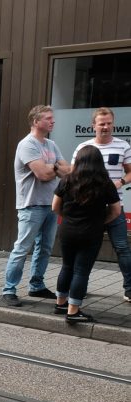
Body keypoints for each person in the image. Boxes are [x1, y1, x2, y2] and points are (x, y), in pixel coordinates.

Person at [1, 105, 71, 307]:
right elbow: (43, 175)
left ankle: (36, 285)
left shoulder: (51, 144)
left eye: (52, 118)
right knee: (22, 248)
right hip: (31, 205)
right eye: (48, 118)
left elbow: (68, 171)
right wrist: (56, 168)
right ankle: (9, 289)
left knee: (45, 248)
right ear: (35, 121)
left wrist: (54, 168)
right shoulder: (27, 145)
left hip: (51, 205)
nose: (53, 121)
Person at [53, 145, 122, 323]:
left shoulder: (67, 180)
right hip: (91, 233)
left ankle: (60, 304)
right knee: (81, 271)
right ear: (98, 163)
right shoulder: (104, 183)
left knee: (67, 266)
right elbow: (115, 211)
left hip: (67, 230)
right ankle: (73, 312)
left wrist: (68, 218)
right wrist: (100, 222)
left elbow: (55, 207)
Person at [71, 107, 131, 303]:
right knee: (86, 249)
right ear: (93, 126)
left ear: (113, 124)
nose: (105, 127)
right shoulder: (83, 147)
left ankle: (129, 289)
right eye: (101, 123)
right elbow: (73, 174)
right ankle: (81, 288)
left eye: (109, 123)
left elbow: (130, 172)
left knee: (122, 248)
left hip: (115, 207)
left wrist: (120, 182)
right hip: (89, 209)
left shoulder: (123, 146)